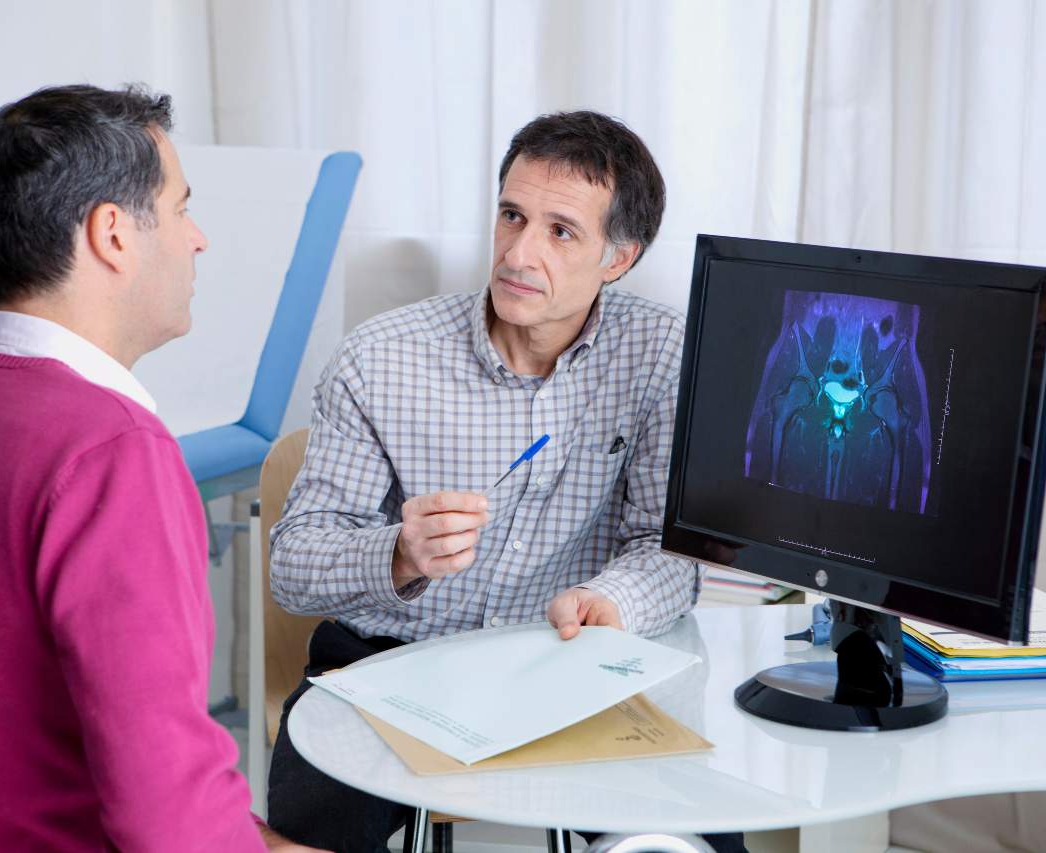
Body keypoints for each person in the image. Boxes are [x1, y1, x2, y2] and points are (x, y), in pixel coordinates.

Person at [0, 84, 321, 852]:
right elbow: (166, 821)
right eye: (179, 208)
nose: (197, 238)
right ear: (112, 234)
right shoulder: (111, 453)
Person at [267, 111, 745, 853]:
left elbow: (668, 546)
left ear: (619, 259)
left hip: (566, 667)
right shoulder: (380, 359)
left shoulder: (661, 356)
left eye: (561, 231)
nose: (519, 252)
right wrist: (398, 552)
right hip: (388, 664)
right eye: (512, 216)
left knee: (690, 839)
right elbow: (292, 565)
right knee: (309, 830)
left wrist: (609, 600)